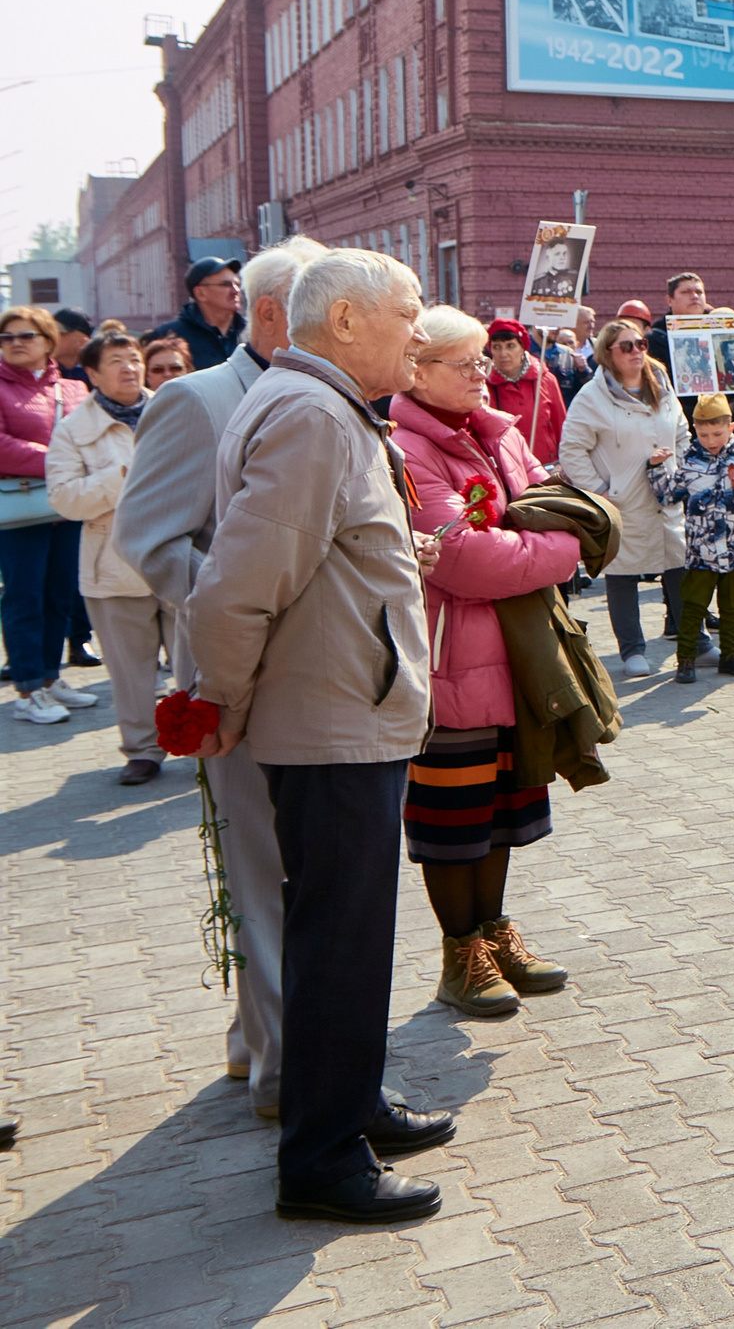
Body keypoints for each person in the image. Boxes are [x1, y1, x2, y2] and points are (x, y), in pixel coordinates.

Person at [189, 249, 454, 1224]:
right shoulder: (308, 414)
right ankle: (324, 1160)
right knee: (340, 940)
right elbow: (239, 583)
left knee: (346, 936)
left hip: (342, 708)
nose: (419, 329)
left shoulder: (312, 403)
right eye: (408, 310)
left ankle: (350, 1103)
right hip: (329, 719)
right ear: (344, 320)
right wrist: (212, 701)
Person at [114, 235, 324, 1121]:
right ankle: (283, 1072)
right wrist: (245, 599)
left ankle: (255, 1043)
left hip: (314, 681)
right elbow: (148, 538)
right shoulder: (198, 401)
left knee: (291, 872)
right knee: (264, 872)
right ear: (276, 314)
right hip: (237, 674)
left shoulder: (320, 398)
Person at [387, 304, 587, 1018]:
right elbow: (464, 559)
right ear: (419, 370)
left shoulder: (495, 432)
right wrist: (556, 553)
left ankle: (494, 930)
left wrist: (540, 543)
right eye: (466, 362)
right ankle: (458, 951)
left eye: (482, 359)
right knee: (452, 818)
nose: (483, 372)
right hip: (448, 663)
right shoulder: (407, 448)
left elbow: (553, 502)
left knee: (502, 807)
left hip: (512, 653)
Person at [43, 332, 165, 781]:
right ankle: (143, 750)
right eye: (116, 361)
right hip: (114, 566)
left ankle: (203, 744)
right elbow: (65, 499)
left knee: (198, 664)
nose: (130, 368)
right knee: (131, 672)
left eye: (134, 359)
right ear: (92, 373)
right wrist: (122, 477)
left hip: (181, 554)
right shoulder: (73, 429)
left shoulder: (173, 407)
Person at [559, 317, 688, 678]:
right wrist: (600, 492)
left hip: (665, 497)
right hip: (622, 501)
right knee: (621, 571)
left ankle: (695, 637)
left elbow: (682, 433)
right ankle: (631, 648)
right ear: (607, 354)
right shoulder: (592, 396)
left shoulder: (661, 386)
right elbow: (571, 450)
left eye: (641, 344)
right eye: (626, 346)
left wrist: (681, 475)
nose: (636, 352)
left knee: (678, 563)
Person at [647, 394, 734, 683]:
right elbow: (668, 495)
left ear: (731, 427)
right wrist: (656, 468)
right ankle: (686, 659)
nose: (710, 440)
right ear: (694, 430)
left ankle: (730, 655)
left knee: (733, 604)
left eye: (717, 433)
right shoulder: (688, 461)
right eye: (703, 434)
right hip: (701, 551)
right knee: (693, 605)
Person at [0, 306, 93, 724]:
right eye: (7, 338)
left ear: (48, 341)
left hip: (67, 506)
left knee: (60, 596)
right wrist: (58, 459)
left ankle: (52, 677)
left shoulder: (73, 390)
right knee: (24, 597)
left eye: (26, 336)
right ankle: (28, 688)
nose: (16, 343)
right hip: (19, 512)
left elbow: (90, 439)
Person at [482, 319, 566, 465]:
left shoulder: (545, 379)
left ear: (522, 347)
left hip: (548, 465)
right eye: (496, 347)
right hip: (506, 467)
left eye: (510, 346)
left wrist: (565, 462)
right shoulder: (484, 384)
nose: (503, 353)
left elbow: (561, 424)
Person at [153, 257, 246, 374]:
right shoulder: (169, 337)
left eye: (237, 284)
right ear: (200, 293)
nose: (235, 290)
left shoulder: (254, 332)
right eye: (225, 285)